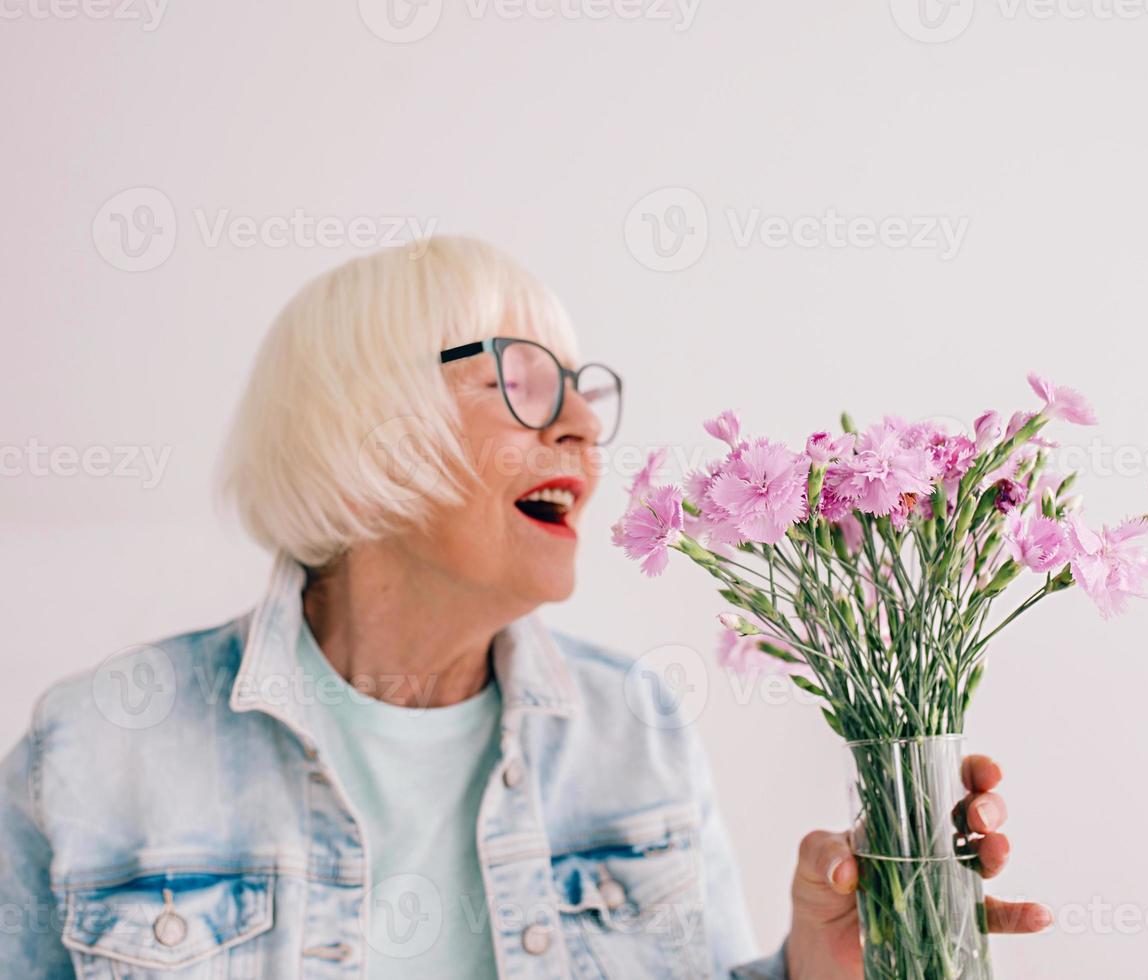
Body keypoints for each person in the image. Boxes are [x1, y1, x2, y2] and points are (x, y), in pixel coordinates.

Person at [0, 237, 1048, 978]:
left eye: (584, 392)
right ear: (366, 429)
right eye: (527, 384)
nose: (586, 428)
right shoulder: (96, 742)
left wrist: (818, 964)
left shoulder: (634, 724)